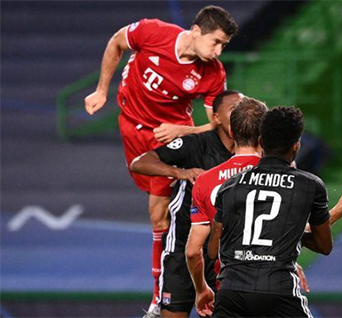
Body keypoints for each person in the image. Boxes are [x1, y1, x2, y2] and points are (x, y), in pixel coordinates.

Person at [84, 6, 238, 316]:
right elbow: (116, 41)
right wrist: (101, 90)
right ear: (196, 32)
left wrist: (182, 129)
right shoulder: (153, 32)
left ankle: (157, 298)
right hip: (128, 124)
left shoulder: (212, 72)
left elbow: (214, 123)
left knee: (157, 216)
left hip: (165, 139)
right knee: (149, 202)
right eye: (216, 42)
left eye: (224, 45)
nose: (218, 51)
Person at [207, 106, 342, 318]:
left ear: (261, 142)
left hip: (230, 293)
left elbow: (212, 250)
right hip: (278, 292)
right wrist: (340, 210)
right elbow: (323, 245)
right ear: (297, 147)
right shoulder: (309, 185)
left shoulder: (230, 186)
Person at [130, 90, 240, 318]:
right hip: (183, 245)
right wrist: (180, 172)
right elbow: (141, 162)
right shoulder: (195, 145)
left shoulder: (250, 152)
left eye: (243, 110)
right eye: (233, 109)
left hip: (225, 254)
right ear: (216, 118)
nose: (240, 114)